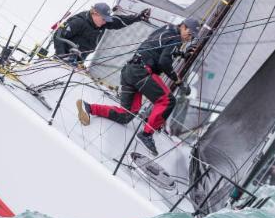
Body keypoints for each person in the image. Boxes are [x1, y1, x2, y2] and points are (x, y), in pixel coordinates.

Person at [75, 18, 199, 156]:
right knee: (168, 101)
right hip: (141, 72)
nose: (190, 37)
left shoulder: (166, 29)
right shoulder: (176, 38)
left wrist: (181, 54)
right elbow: (164, 62)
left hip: (129, 71)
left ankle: (89, 108)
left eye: (192, 36)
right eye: (190, 34)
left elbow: (158, 48)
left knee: (126, 115)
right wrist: (178, 82)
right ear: (184, 27)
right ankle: (146, 134)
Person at [53, 3, 150, 63]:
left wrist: (137, 17)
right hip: (62, 59)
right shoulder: (79, 22)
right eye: (103, 19)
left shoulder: (102, 23)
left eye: (106, 19)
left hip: (77, 62)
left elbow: (118, 21)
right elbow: (58, 35)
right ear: (95, 13)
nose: (105, 22)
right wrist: (61, 55)